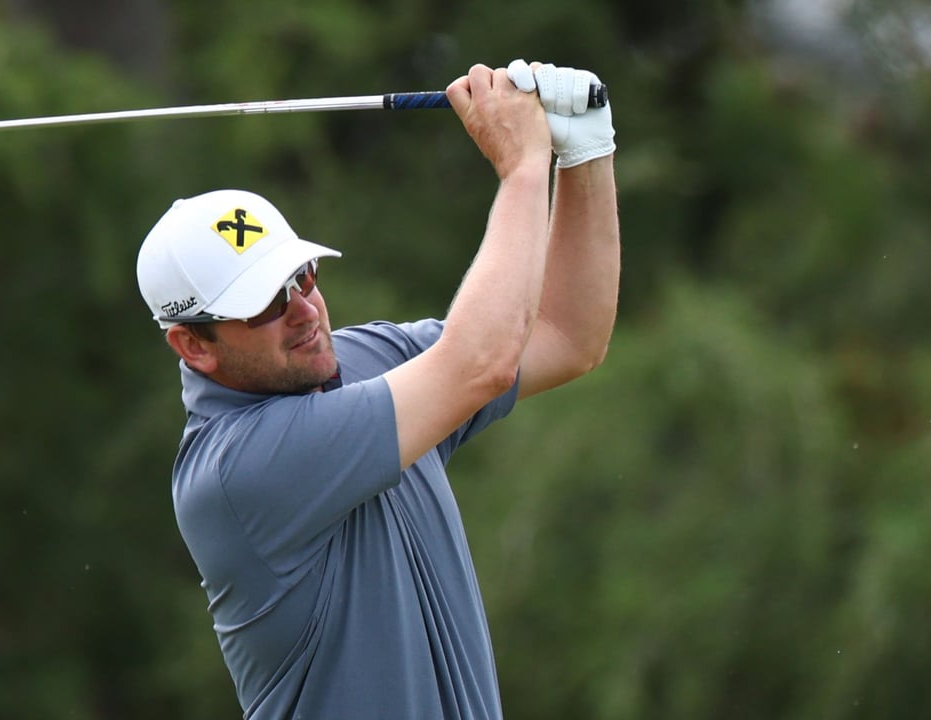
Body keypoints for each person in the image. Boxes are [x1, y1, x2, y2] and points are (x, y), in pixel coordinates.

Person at [135, 59, 620, 719]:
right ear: (193, 345)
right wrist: (524, 168)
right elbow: (479, 362)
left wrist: (585, 154)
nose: (305, 310)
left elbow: (566, 335)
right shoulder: (238, 471)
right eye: (263, 306)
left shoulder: (366, 362)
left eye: (303, 277)